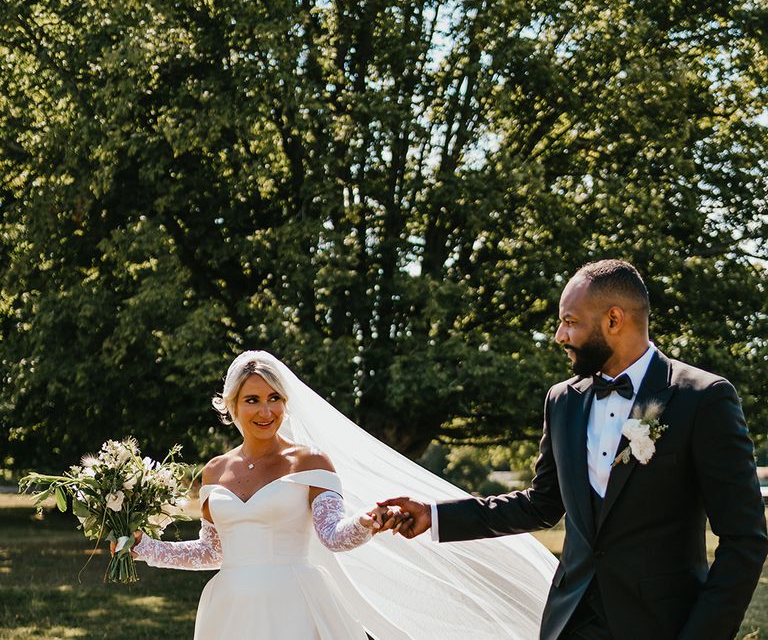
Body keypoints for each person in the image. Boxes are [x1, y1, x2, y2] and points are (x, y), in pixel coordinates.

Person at [381, 259, 768, 640]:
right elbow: (541, 503)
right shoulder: (562, 401)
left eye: (570, 321)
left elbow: (744, 540)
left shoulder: (703, 398)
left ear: (613, 320)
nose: (558, 336)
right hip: (570, 622)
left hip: (660, 624)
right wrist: (435, 516)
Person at [121, 351, 558, 640]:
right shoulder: (215, 471)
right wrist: (142, 548)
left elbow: (333, 535)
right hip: (229, 609)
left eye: (275, 398)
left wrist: (368, 522)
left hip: (294, 603)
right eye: (252, 400)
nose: (266, 410)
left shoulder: (310, 462)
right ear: (232, 405)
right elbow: (210, 552)